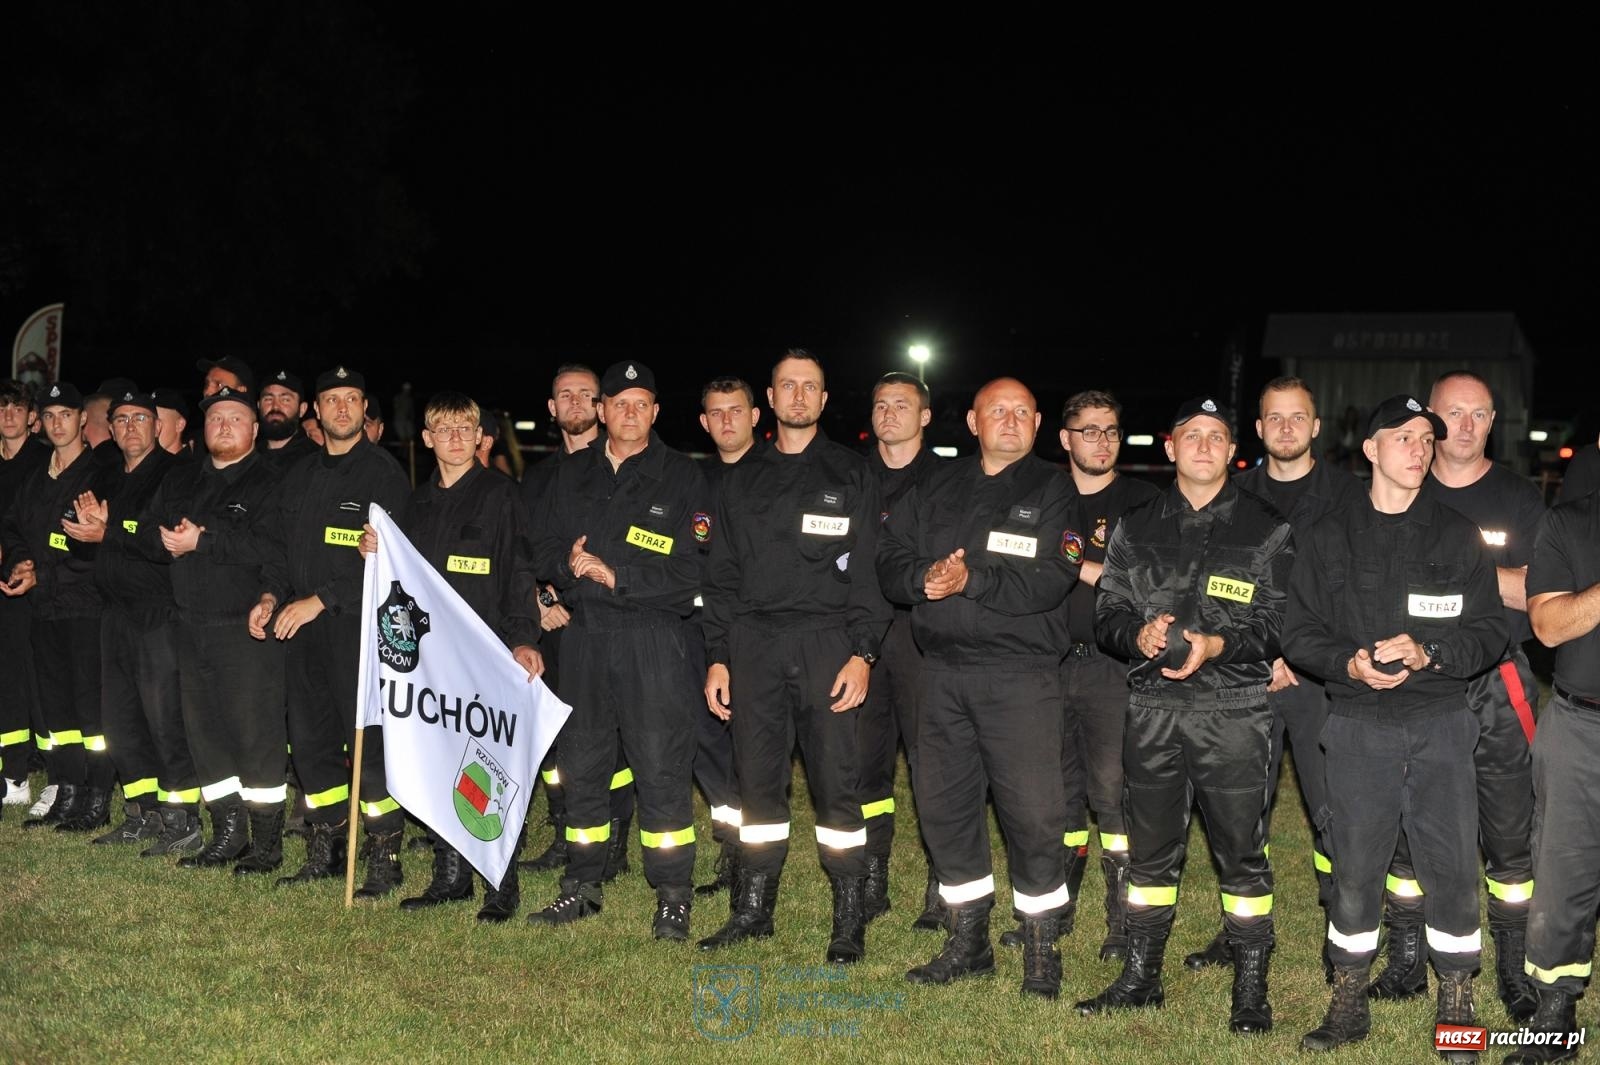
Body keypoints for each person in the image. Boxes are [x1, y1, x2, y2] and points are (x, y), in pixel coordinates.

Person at [1283, 395, 1507, 1056]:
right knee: (1354, 868)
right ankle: (1348, 999)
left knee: (1453, 867)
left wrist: (1430, 652)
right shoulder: (1327, 535)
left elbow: (1490, 629)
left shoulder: (1457, 534)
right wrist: (1348, 663)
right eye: (1404, 437)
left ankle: (1457, 1001)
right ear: (1371, 449)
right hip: (1357, 725)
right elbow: (1299, 632)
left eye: (1426, 439)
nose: (1420, 448)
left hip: (1440, 723)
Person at [1076, 396, 1293, 1036]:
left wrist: (1218, 644)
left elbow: (1281, 622)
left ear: (1233, 451)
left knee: (1241, 852)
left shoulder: (1266, 527)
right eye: (1191, 435)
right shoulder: (1136, 525)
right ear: (1170, 447)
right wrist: (1136, 635)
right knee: (1149, 855)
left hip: (1234, 712)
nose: (1203, 445)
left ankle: (1250, 988)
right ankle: (1141, 976)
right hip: (1153, 711)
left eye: (1216, 436)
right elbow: (1108, 613)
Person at [879, 376, 1081, 998]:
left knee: (1034, 816)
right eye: (998, 411)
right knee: (945, 810)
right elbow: (889, 556)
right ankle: (968, 943)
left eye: (1022, 411)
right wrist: (922, 578)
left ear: (1038, 423)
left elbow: (1053, 576)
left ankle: (1041, 950)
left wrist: (972, 582)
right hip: (940, 676)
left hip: (1019, 677)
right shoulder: (935, 485)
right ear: (973, 422)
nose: (1010, 420)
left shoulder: (1054, 489)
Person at [698, 349, 891, 964]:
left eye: (810, 386)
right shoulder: (741, 477)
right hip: (753, 644)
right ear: (771, 398)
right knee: (757, 784)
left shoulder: (852, 473)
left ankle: (848, 918)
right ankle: (753, 910)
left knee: (837, 786)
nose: (799, 396)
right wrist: (719, 656)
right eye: (789, 386)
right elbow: (721, 576)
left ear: (824, 399)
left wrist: (863, 653)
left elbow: (870, 574)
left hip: (828, 643)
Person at [1364, 371, 1542, 1018]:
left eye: (1479, 414)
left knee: (1509, 829)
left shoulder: (1520, 498)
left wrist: (1462, 567)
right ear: (1430, 423)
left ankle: (1514, 966)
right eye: (1453, 414)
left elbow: (1541, 592)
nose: (1465, 426)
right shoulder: (1404, 485)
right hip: (1418, 682)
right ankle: (1407, 957)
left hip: (1498, 678)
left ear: (1493, 422)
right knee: (1406, 824)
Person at [1184, 378, 1364, 974]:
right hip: (1246, 675)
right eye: (1274, 419)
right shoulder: (1232, 495)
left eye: (1298, 417)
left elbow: (1355, 591)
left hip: (1320, 681)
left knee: (1332, 808)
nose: (1286, 428)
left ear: (1316, 426)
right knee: (1241, 810)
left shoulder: (1350, 496)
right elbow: (1214, 586)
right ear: (1259, 430)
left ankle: (1344, 928)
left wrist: (1301, 653)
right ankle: (1242, 931)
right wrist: (1260, 653)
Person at [526, 362, 707, 939]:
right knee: (582, 765)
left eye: (641, 403)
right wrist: (565, 564)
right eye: (619, 403)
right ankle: (581, 883)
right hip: (583, 639)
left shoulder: (683, 477)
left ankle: (673, 895)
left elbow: (694, 571)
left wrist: (619, 576)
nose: (629, 413)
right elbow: (540, 546)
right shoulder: (570, 474)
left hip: (653, 639)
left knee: (660, 767)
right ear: (601, 411)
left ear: (656, 412)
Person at [360, 391, 543, 922]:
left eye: (465, 429)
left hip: (487, 656)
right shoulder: (415, 505)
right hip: (430, 662)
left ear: (480, 436)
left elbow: (519, 572)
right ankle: (450, 875)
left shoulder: (501, 496)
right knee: (441, 762)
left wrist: (523, 639)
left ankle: (500, 883)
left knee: (487, 767)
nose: (456, 438)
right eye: (444, 429)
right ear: (428, 438)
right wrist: (375, 552)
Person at [249, 366, 410, 896]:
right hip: (300, 631)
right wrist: (270, 595)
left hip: (356, 631)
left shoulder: (383, 475)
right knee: (311, 742)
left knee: (368, 744)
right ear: (315, 410)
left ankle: (384, 853)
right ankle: (327, 844)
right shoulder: (299, 475)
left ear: (364, 408)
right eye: (332, 399)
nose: (342, 409)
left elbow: (391, 561)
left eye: (352, 399)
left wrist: (320, 600)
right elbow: (277, 548)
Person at [141, 386, 286, 866]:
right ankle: (228, 832)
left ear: (255, 429)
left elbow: (272, 548)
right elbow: (149, 531)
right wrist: (162, 539)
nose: (224, 425)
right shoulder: (183, 479)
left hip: (245, 628)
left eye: (235, 417)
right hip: (189, 626)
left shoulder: (270, 482)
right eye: (216, 417)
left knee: (254, 735)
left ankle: (266, 844)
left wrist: (203, 542)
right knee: (205, 735)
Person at [516, 364, 635, 881]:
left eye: (587, 394)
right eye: (565, 395)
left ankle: (615, 839)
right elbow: (524, 548)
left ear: (602, 405)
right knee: (557, 735)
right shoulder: (539, 476)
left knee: (611, 737)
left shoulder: (621, 467)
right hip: (550, 626)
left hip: (603, 623)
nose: (576, 403)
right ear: (552, 407)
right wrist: (541, 598)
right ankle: (566, 830)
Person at [1053, 389, 1159, 961]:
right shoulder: (1042, 494)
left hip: (1113, 668)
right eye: (1089, 430)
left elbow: (1150, 584)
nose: (1102, 441)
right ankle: (1057, 907)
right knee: (1058, 795)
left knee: (1113, 794)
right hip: (1044, 665)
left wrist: (1075, 564)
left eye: (1111, 430)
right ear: (1065, 438)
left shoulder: (1143, 502)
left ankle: (1122, 920)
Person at [62, 390, 189, 846]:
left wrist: (109, 530)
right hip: (113, 613)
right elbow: (82, 543)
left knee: (164, 721)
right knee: (119, 723)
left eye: (140, 418)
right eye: (121, 419)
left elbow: (165, 542)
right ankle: (142, 811)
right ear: (111, 430)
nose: (130, 426)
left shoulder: (176, 473)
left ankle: (182, 819)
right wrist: (82, 531)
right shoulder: (109, 476)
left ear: (157, 426)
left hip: (157, 614)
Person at [1515, 485, 1600, 1062]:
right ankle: (1554, 1009)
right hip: (1581, 726)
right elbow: (1547, 625)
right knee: (1563, 871)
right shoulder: (1569, 522)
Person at [2, 383, 111, 832]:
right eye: (49, 416)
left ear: (82, 419)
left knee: (91, 710)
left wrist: (42, 573)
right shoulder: (37, 477)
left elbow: (94, 551)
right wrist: (19, 561)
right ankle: (66, 788)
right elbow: (12, 526)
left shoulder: (100, 474)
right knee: (57, 708)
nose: (57, 423)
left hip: (84, 609)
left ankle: (97, 794)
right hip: (43, 610)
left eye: (66, 414)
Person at [864, 371, 944, 931]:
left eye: (901, 404)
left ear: (925, 417)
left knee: (932, 763)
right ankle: (872, 877)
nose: (889, 413)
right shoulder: (850, 476)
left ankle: (943, 882)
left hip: (922, 636)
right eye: (881, 405)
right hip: (861, 637)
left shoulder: (949, 480)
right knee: (864, 762)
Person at [689, 376, 763, 899]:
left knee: (752, 744)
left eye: (736, 410)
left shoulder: (775, 473)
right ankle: (730, 844)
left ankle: (755, 854)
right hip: (701, 627)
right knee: (706, 738)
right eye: (716, 412)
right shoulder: (695, 481)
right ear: (703, 421)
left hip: (758, 629)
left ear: (755, 416)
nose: (726, 421)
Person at [0, 380, 50, 810]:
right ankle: (10, 771)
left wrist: (26, 561)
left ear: (32, 417)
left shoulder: (42, 461)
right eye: (2, 408)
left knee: (30, 679)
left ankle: (31, 773)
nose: (8, 415)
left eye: (17, 408)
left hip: (32, 583)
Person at [257, 369, 317, 466]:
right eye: (268, 399)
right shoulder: (249, 458)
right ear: (259, 406)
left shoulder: (315, 460)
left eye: (285, 400)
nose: (275, 406)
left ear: (302, 409)